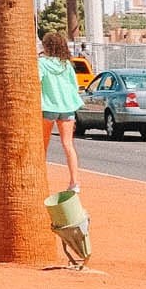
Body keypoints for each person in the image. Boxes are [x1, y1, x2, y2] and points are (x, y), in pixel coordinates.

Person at [38, 29, 83, 190]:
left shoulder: (42, 63)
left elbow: (36, 81)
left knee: (42, 145)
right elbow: (74, 86)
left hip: (48, 106)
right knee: (68, 145)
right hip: (67, 107)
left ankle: (40, 178)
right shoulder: (67, 65)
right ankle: (74, 182)